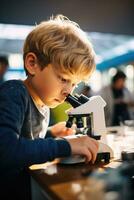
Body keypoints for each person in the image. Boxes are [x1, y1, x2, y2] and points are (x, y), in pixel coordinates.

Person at [0, 15, 98, 199]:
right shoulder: (13, 93)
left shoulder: (42, 103)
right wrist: (64, 146)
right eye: (63, 79)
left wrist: (51, 133)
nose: (68, 91)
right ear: (32, 64)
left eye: (74, 83)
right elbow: (6, 150)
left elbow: (26, 141)